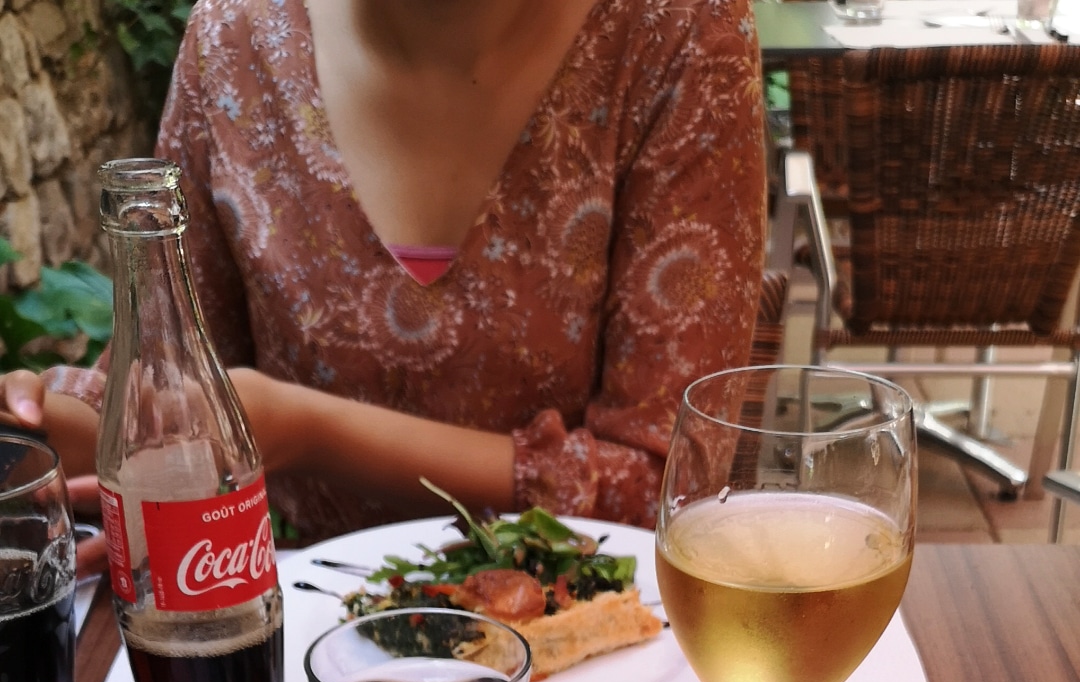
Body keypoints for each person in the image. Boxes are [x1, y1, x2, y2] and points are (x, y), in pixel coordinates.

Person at [0, 0, 766, 541]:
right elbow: (167, 397)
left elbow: (675, 485)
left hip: (596, 653)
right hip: (298, 657)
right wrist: (49, 430)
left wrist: (313, 432)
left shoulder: (677, 32)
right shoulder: (232, 42)